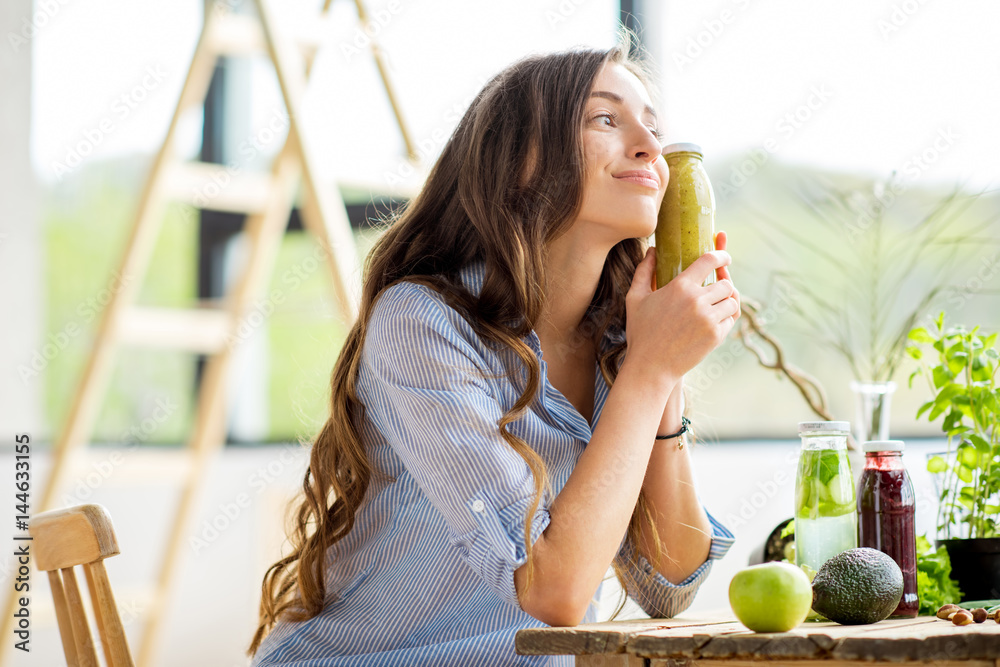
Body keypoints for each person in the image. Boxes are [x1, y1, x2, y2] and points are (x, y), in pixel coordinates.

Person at [248, 39, 740, 666]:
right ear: (524, 161)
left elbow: (667, 581)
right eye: (605, 119)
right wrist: (651, 372)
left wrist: (660, 365)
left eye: (653, 124)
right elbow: (553, 591)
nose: (650, 145)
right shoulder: (423, 324)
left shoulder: (625, 334)